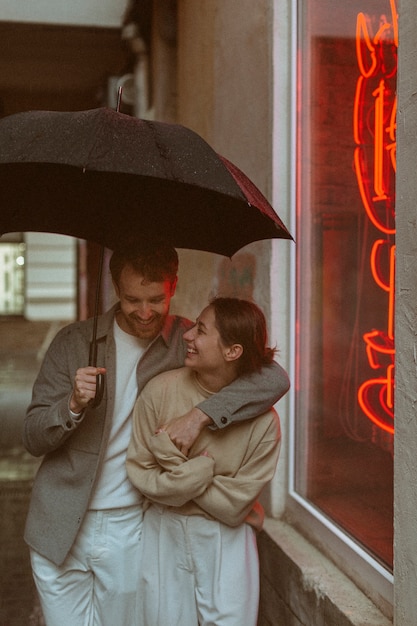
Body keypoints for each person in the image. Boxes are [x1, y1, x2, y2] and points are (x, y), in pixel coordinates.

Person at [22, 239, 290, 626]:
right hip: (59, 522)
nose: (145, 312)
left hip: (133, 525)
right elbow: (32, 437)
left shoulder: (186, 342)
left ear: (173, 287)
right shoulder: (73, 343)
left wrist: (200, 415)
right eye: (133, 299)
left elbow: (274, 379)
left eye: (155, 299)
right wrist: (72, 406)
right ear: (116, 288)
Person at [126, 297, 282, 626]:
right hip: (163, 529)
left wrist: (173, 462)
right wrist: (201, 471)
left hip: (227, 538)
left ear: (232, 351)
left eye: (201, 330)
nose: (187, 336)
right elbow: (141, 473)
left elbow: (234, 506)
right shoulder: (159, 391)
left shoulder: (264, 423)